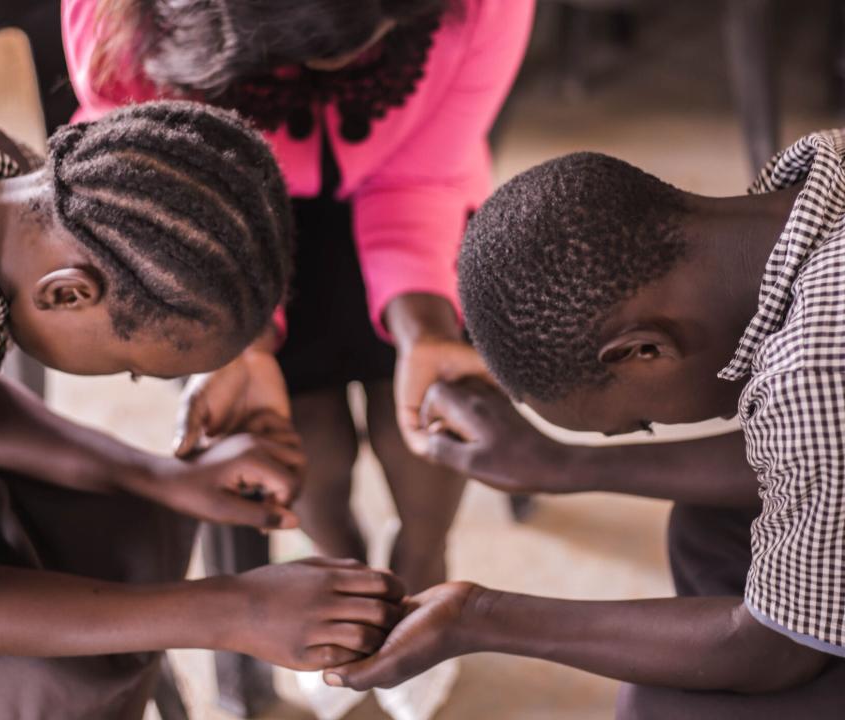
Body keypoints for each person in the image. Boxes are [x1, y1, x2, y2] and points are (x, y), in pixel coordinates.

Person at [62, 2, 533, 714]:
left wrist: (425, 330)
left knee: (425, 402)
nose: (341, 66)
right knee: (300, 425)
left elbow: (425, 174)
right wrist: (244, 339)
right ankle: (342, 560)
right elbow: (173, 204)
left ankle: (422, 558)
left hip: (420, 186)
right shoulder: (123, 29)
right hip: (207, 211)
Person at [0, 101, 406, 720]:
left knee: (138, 519)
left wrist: (160, 476)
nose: (127, 377)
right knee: (61, 688)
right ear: (69, 292)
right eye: (131, 368)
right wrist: (238, 610)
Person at [323, 143, 845, 718]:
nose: (650, 426)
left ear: (643, 350)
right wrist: (564, 467)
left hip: (775, 647)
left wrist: (478, 618)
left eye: (640, 423)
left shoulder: (812, 364)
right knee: (710, 523)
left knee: (666, 707)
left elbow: (770, 653)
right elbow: (809, 445)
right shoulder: (816, 167)